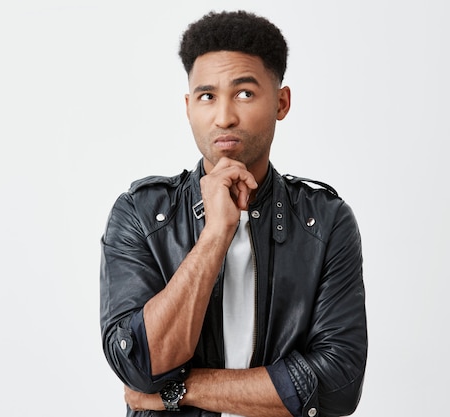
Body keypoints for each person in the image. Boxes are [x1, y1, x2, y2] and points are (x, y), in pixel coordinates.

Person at [100, 10, 367, 417]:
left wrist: (181, 390)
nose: (224, 116)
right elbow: (141, 367)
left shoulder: (325, 222)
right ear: (188, 107)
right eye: (207, 96)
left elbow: (338, 384)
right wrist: (215, 234)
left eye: (244, 93)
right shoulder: (140, 214)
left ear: (281, 102)